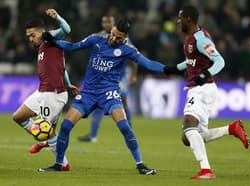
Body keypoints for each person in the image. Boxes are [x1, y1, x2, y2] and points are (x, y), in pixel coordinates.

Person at [38, 18, 170, 174]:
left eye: (118, 37)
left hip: (109, 92)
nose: (113, 38)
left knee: (124, 127)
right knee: (66, 126)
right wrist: (54, 41)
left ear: (124, 38)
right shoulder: (96, 39)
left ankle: (141, 164)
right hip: (88, 92)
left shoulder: (128, 49)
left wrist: (170, 69)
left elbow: (147, 63)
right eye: (113, 34)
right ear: (111, 30)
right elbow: (73, 47)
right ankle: (58, 164)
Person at [165, 5, 249, 179]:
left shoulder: (201, 39)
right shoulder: (190, 38)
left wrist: (204, 75)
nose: (178, 21)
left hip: (203, 89)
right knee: (189, 137)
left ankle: (206, 170)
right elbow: (191, 61)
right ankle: (231, 129)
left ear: (189, 19)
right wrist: (175, 68)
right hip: (198, 88)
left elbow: (220, 61)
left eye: (180, 18)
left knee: (189, 127)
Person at [12, 9, 79, 171]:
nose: (30, 39)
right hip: (41, 91)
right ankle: (43, 140)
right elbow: (62, 67)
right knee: (18, 116)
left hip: (53, 94)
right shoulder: (43, 47)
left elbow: (67, 29)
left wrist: (57, 17)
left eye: (32, 35)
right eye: (28, 36)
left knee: (46, 131)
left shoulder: (50, 38)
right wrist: (68, 83)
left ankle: (62, 164)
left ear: (41, 32)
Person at [77, 15, 138, 142]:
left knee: (124, 104)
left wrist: (133, 75)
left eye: (108, 22)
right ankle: (93, 135)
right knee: (98, 105)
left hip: (120, 78)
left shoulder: (124, 38)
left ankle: (130, 133)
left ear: (113, 23)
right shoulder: (99, 37)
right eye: (104, 22)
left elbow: (135, 58)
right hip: (103, 79)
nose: (106, 24)